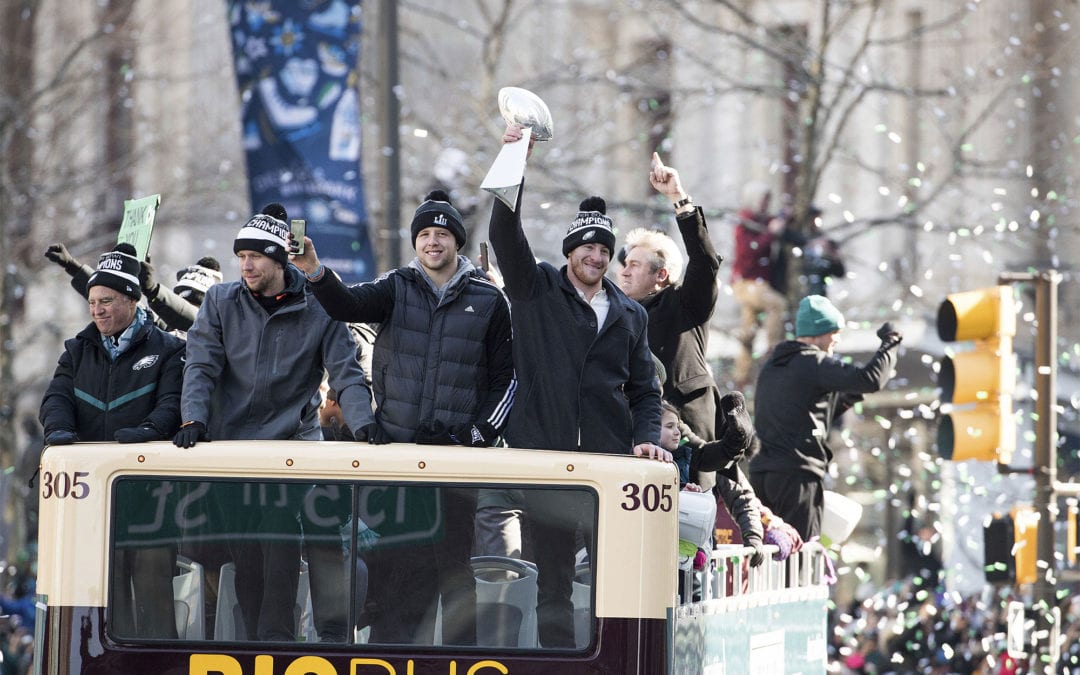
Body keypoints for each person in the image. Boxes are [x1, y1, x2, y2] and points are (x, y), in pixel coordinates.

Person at [290, 189, 515, 645]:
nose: (433, 242)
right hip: (398, 464)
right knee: (396, 573)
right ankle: (389, 659)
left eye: (443, 234)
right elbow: (347, 305)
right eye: (425, 234)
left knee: (454, 575)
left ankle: (459, 663)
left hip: (455, 465)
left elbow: (507, 379)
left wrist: (476, 435)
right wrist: (314, 271)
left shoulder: (489, 301)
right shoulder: (396, 286)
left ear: (457, 241)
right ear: (416, 242)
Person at [488, 122, 669, 648]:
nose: (595, 256)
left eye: (604, 250)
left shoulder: (630, 313)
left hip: (608, 468)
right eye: (586, 247)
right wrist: (514, 158)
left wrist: (647, 437)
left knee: (618, 585)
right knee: (554, 583)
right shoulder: (536, 288)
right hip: (546, 462)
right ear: (570, 251)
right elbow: (504, 234)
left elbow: (644, 390)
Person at [173, 205, 375, 642]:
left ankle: (277, 639)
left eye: (256, 257)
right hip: (231, 448)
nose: (246, 265)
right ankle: (254, 641)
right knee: (246, 553)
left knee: (280, 541)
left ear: (279, 260)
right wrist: (193, 418)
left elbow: (347, 374)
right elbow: (200, 366)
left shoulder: (319, 308)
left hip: (288, 448)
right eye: (240, 256)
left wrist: (364, 429)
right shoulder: (219, 300)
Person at [39, 243, 186, 639]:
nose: (97, 310)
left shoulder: (170, 350)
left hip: (150, 500)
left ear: (133, 299)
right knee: (101, 598)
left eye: (106, 301)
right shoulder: (76, 350)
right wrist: (57, 431)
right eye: (92, 302)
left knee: (154, 596)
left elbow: (173, 404)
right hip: (90, 502)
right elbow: (56, 399)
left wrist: (150, 432)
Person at [748, 295, 902, 540]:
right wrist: (890, 343)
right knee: (798, 555)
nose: (837, 339)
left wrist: (848, 398)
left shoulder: (773, 365)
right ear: (819, 332)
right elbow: (870, 379)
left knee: (769, 560)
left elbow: (801, 412)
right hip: (797, 476)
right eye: (834, 332)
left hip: (762, 475)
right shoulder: (813, 362)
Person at [618, 153, 722, 488]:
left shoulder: (683, 304)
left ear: (661, 274)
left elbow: (705, 263)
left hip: (689, 440)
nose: (624, 270)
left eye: (635, 264)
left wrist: (679, 200)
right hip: (640, 444)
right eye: (625, 263)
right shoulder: (615, 314)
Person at [44, 243, 222, 334]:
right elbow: (116, 301)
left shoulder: (219, 331)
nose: (185, 307)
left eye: (196, 304)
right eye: (181, 302)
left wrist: (153, 291)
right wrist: (74, 268)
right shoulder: (162, 331)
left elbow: (198, 322)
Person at [729, 181, 788, 388]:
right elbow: (749, 252)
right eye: (763, 200)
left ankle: (740, 379)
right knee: (777, 304)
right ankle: (773, 348)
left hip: (758, 284)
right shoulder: (745, 224)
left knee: (749, 336)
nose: (765, 204)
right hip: (748, 283)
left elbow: (777, 222)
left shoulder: (763, 221)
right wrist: (771, 233)